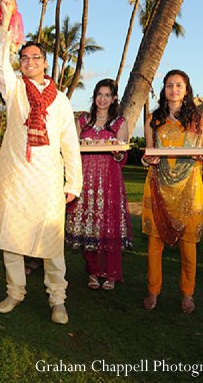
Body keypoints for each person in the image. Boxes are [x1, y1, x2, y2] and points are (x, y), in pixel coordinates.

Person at [0, 0, 82, 325]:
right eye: (24, 58)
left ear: (44, 62)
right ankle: (15, 292)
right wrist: (6, 19)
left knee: (52, 242)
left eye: (34, 57)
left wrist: (74, 183)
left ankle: (57, 298)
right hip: (14, 176)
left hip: (48, 180)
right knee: (12, 238)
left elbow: (70, 143)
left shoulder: (62, 100)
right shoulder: (13, 90)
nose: (28, 62)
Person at [141, 69, 203, 314]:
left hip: (190, 187)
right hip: (158, 186)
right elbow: (148, 154)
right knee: (154, 244)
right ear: (164, 89)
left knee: (189, 244)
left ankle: (187, 293)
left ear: (186, 89)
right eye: (170, 85)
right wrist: (146, 161)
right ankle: (153, 290)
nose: (174, 89)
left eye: (179, 85)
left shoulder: (199, 118)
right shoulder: (153, 119)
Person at [65, 79, 133, 290]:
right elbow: (71, 149)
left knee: (108, 227)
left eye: (107, 95)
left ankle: (111, 274)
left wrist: (117, 150)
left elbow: (122, 154)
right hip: (85, 179)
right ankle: (93, 272)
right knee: (89, 225)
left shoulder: (120, 122)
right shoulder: (83, 120)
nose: (102, 99)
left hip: (109, 180)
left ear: (114, 99)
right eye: (99, 94)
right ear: (94, 97)